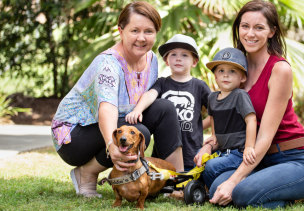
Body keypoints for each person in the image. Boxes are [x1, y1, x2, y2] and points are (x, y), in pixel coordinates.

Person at [51, 1, 184, 198]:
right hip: (73, 136)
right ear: (121, 31)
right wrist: (111, 146)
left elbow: (146, 101)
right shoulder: (108, 64)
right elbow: (107, 108)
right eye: (134, 30)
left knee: (164, 108)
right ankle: (86, 173)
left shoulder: (152, 60)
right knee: (140, 134)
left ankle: (173, 182)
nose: (141, 38)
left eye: (148, 31)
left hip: (117, 123)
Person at [194, 0, 304, 209]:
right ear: (238, 28)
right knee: (217, 187)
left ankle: (292, 193)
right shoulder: (235, 69)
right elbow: (223, 117)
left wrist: (234, 180)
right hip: (258, 161)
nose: (250, 33)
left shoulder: (279, 70)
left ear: (271, 31)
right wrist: (209, 143)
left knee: (239, 192)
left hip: (294, 159)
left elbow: (264, 136)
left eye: (259, 27)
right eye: (245, 26)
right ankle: (267, 189)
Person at [125, 34, 211, 171]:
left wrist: (199, 126)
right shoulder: (162, 83)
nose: (178, 58)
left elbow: (217, 113)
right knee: (157, 182)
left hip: (191, 152)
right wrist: (137, 110)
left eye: (184, 55)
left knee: (187, 183)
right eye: (173, 54)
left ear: (194, 61)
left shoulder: (200, 86)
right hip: (162, 154)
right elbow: (150, 95)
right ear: (166, 60)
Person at [194, 47, 257, 188]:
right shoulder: (212, 98)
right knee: (199, 156)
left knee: (211, 166)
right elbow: (213, 118)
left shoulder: (240, 96)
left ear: (242, 77)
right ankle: (200, 186)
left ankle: (206, 189)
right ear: (215, 76)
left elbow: (251, 119)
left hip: (238, 153)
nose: (225, 75)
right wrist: (214, 136)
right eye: (221, 71)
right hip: (222, 151)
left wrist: (249, 147)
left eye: (232, 71)